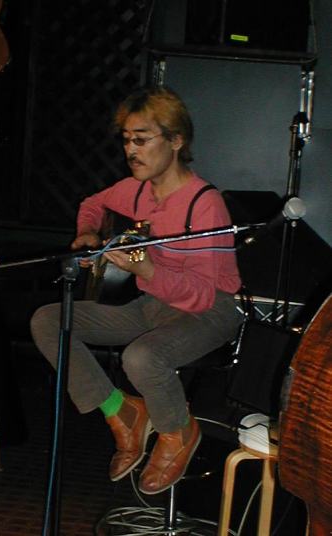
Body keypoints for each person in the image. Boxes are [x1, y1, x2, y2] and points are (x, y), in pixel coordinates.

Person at [30, 86, 242, 495]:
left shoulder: (205, 204)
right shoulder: (139, 189)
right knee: (49, 320)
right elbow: (93, 203)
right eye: (127, 139)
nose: (131, 150)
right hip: (155, 304)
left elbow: (201, 295)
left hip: (209, 312)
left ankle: (178, 430)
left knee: (142, 356)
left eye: (142, 139)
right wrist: (88, 234)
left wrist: (145, 269)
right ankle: (122, 411)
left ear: (176, 140)